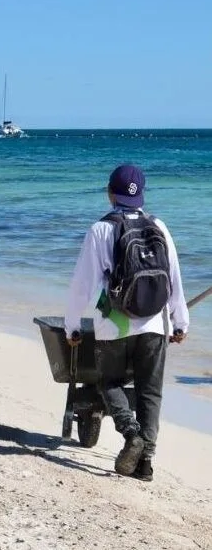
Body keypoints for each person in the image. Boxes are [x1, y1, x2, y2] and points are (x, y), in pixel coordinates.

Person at [65, 164, 189, 482]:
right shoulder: (158, 225)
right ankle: (145, 462)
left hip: (114, 321)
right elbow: (173, 277)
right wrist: (180, 321)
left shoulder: (101, 230)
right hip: (154, 323)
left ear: (110, 193)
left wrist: (72, 326)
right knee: (150, 392)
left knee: (109, 382)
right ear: (142, 195)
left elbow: (83, 284)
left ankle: (131, 433)